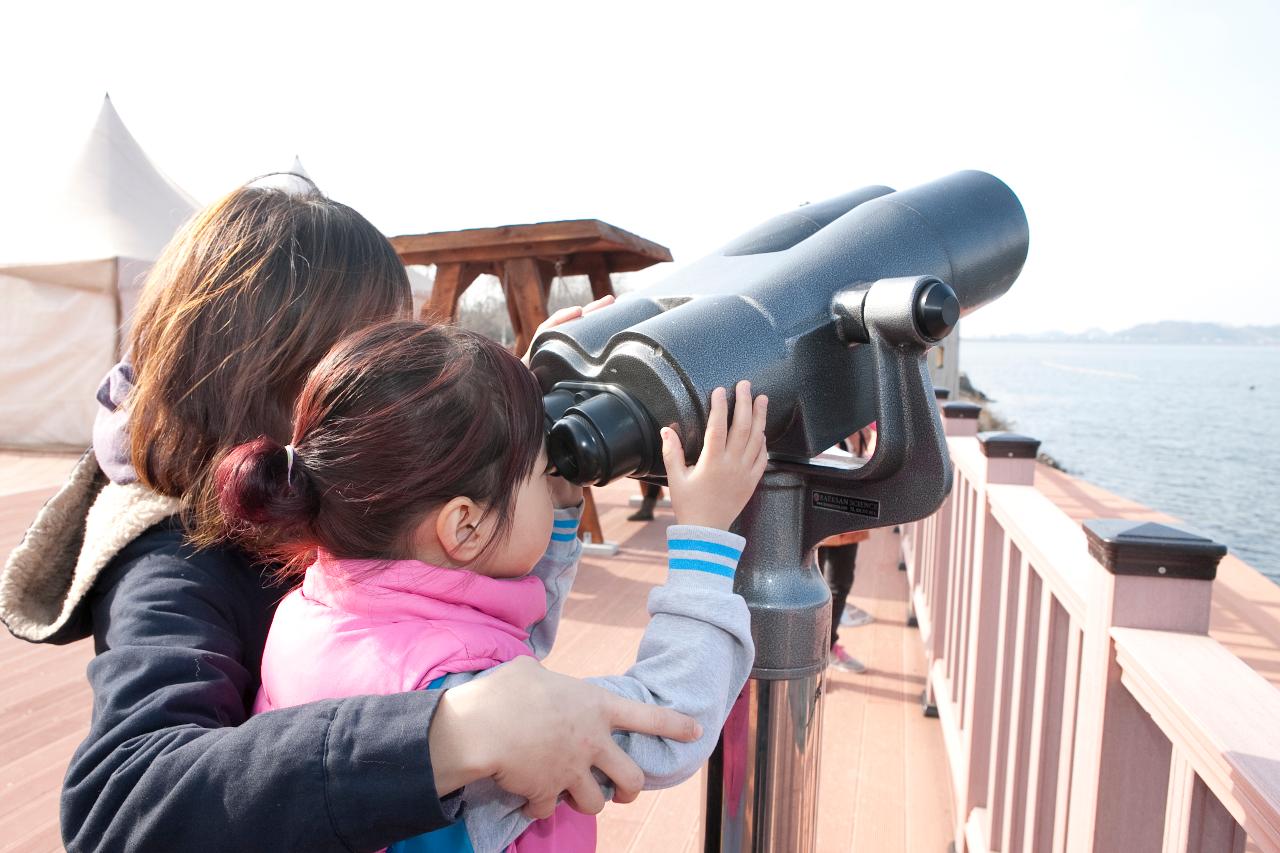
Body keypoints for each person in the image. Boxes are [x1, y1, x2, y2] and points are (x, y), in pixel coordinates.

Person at [0, 180, 702, 852]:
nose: (402, 371)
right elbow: (122, 798)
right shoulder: (173, 562)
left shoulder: (330, 499)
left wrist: (502, 410)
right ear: (280, 375)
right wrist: (443, 735)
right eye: (382, 348)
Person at [218, 320, 767, 852]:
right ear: (465, 525)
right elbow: (670, 723)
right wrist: (706, 542)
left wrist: (543, 491)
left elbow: (503, 638)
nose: (552, 473)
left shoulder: (315, 606)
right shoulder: (458, 696)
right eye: (536, 471)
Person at [820, 423, 877, 674]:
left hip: (850, 516)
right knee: (818, 583)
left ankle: (828, 645)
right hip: (820, 515)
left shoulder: (864, 430)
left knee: (841, 583)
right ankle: (814, 648)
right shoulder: (824, 426)